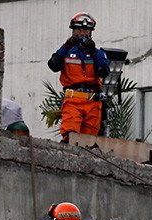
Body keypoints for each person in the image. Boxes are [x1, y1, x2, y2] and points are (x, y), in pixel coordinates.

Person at [47, 12, 110, 144]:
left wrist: (92, 51)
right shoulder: (66, 52)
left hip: (93, 103)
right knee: (70, 137)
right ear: (73, 31)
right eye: (79, 29)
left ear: (91, 32)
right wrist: (66, 46)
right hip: (73, 101)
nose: (82, 33)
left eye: (86, 30)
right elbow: (53, 65)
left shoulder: (98, 53)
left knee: (89, 143)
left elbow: (104, 71)